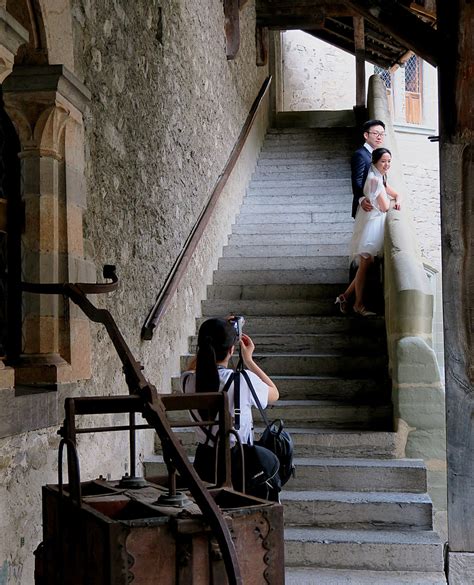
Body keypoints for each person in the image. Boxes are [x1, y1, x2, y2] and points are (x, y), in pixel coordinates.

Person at [181, 317, 279, 491]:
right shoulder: (243, 380)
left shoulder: (187, 381)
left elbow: (197, 367)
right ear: (232, 349)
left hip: (205, 465)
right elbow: (274, 393)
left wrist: (215, 334)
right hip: (239, 466)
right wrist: (248, 360)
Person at [336, 148, 401, 316]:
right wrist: (394, 203)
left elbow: (392, 192)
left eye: (389, 161)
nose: (387, 165)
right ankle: (358, 304)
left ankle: (345, 297)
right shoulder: (374, 180)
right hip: (371, 226)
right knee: (364, 267)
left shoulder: (380, 176)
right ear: (375, 162)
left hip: (373, 223)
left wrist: (398, 198)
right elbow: (385, 207)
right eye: (383, 162)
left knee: (364, 266)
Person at [351, 119, 386, 219]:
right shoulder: (360, 154)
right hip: (366, 205)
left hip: (376, 202)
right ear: (366, 135)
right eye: (375, 133)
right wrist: (361, 199)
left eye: (382, 134)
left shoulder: (378, 154)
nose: (379, 137)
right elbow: (357, 179)